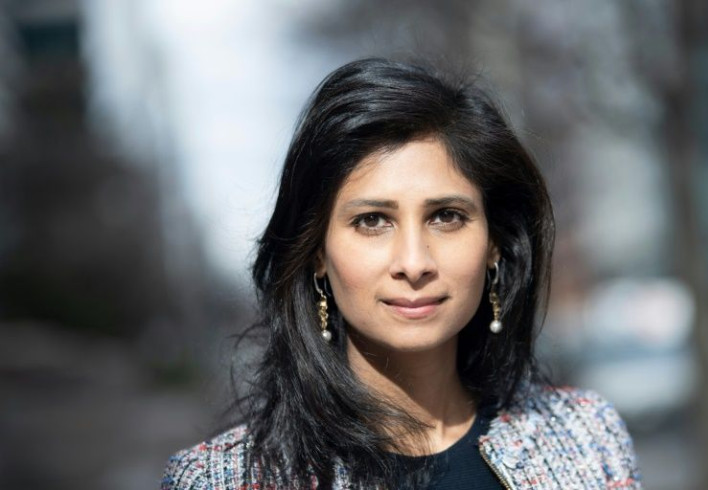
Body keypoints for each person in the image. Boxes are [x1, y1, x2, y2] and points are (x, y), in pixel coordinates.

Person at [161, 58, 642, 489]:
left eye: (446, 216)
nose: (414, 263)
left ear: (494, 243)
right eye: (372, 221)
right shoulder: (221, 481)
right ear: (317, 253)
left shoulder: (584, 437)